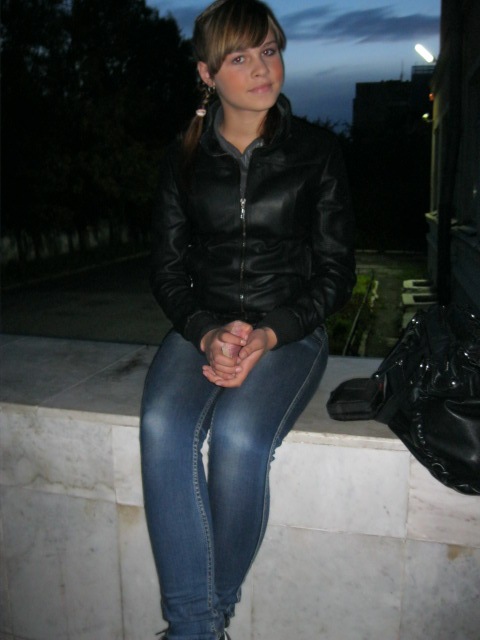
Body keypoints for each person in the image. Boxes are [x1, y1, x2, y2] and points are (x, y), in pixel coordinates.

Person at [140, 1, 356, 638]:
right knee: (162, 425)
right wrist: (206, 330)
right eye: (240, 57)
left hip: (290, 330)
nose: (262, 68)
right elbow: (166, 270)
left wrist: (270, 330)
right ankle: (201, 629)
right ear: (207, 74)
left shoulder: (317, 153)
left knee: (237, 438)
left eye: (269, 50)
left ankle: (196, 626)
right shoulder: (183, 158)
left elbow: (335, 273)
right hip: (201, 327)